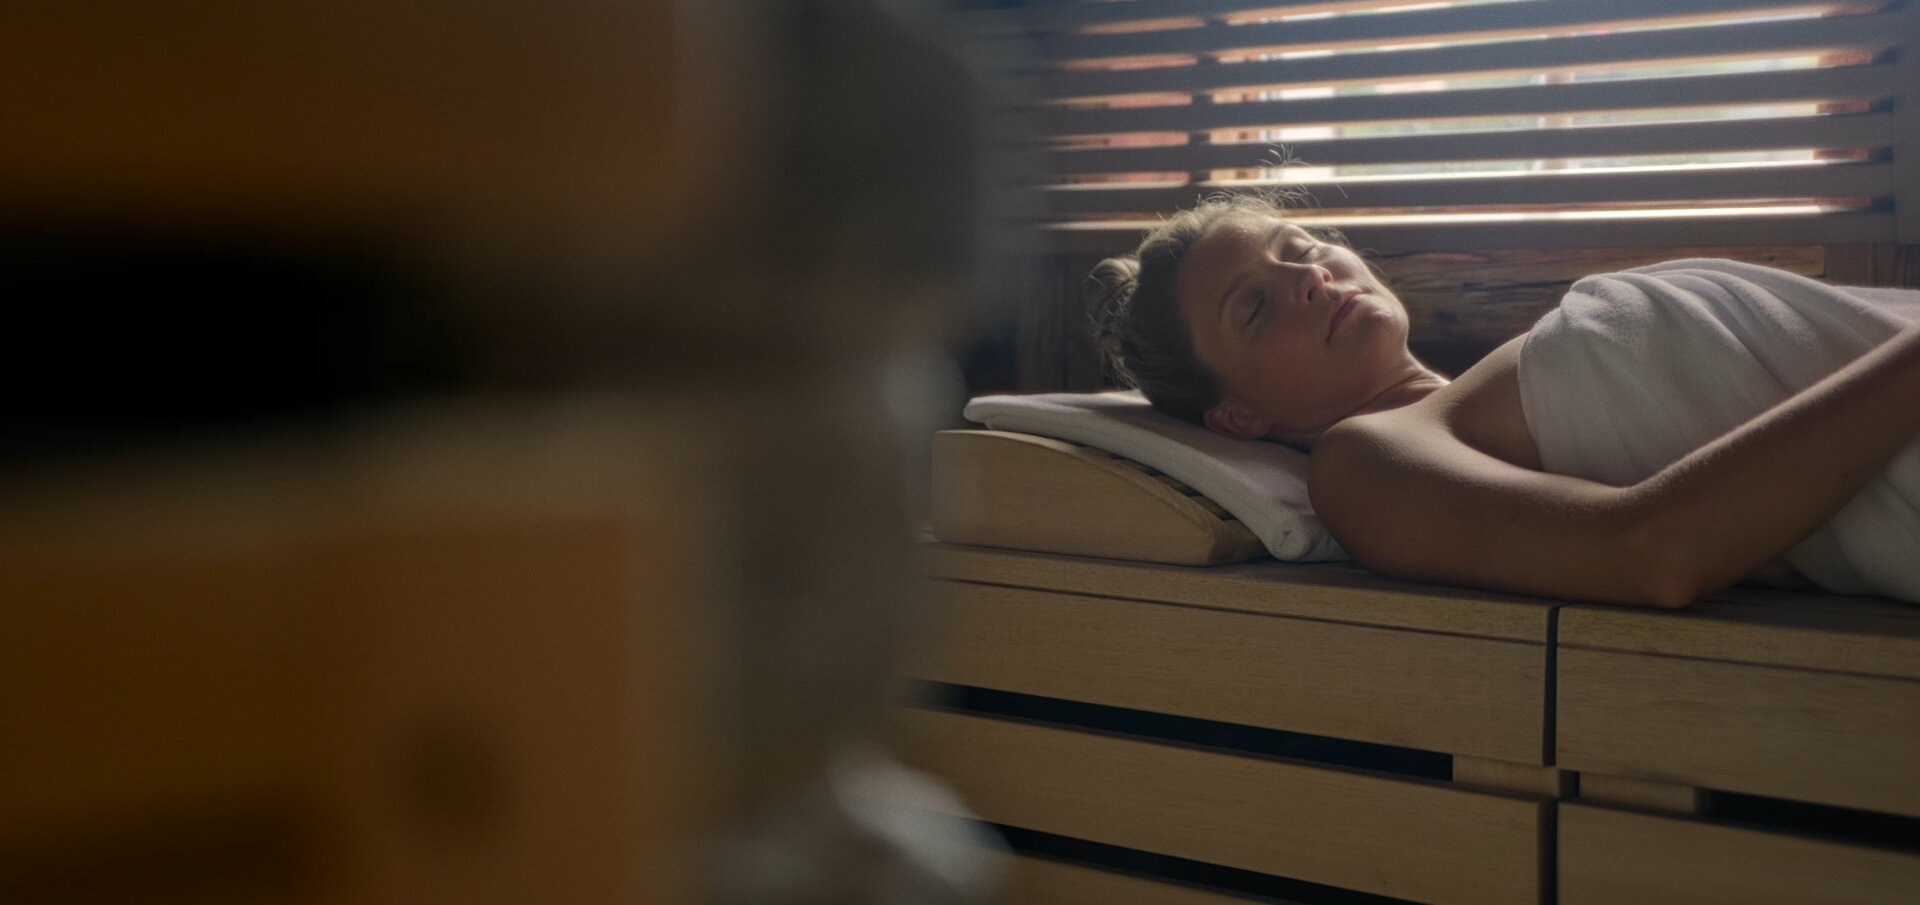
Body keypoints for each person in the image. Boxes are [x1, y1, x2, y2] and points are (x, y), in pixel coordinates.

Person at [1089, 193, 1920, 607]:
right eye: (1257, 304)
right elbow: (1651, 551)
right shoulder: (1362, 462)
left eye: (1301, 248)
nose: (1308, 276)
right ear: (1240, 417)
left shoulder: (1491, 390)